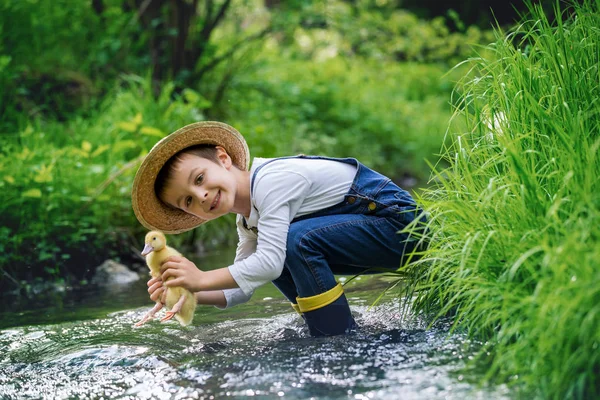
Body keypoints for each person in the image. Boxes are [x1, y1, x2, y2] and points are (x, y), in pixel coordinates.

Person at [131, 121, 427, 336]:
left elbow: (269, 263)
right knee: (281, 249)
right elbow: (244, 285)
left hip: (401, 225)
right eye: (188, 201)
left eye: (199, 179)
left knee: (294, 242)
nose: (202, 196)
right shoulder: (247, 220)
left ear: (224, 159)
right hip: (373, 235)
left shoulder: (272, 181)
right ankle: (326, 329)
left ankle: (338, 338)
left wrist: (202, 276)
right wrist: (188, 291)